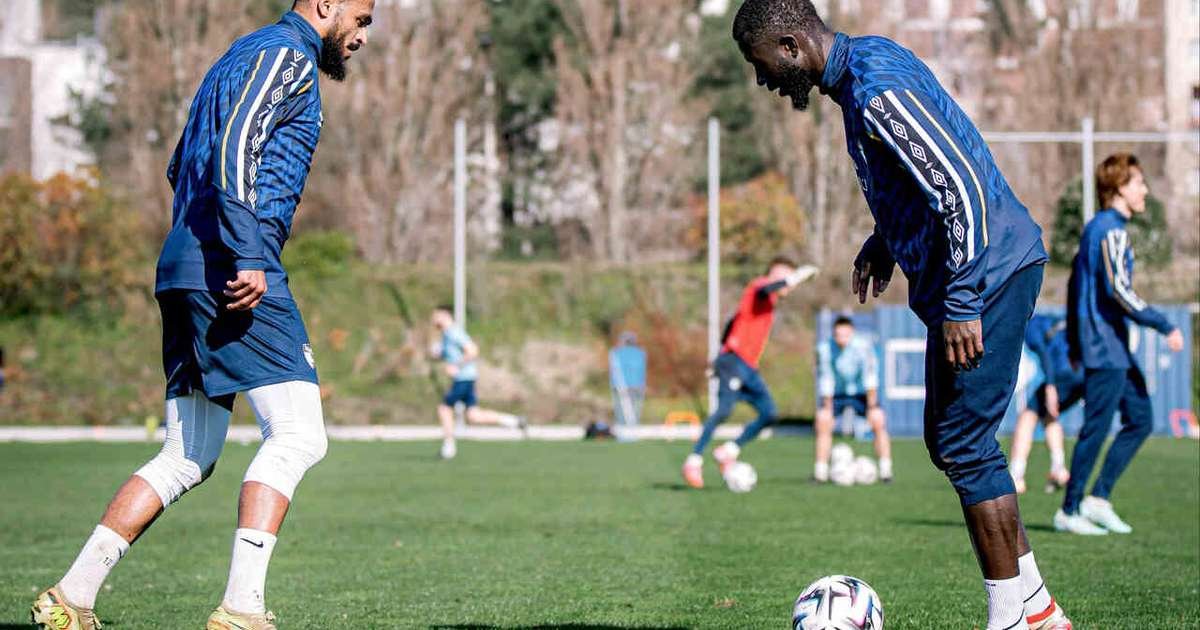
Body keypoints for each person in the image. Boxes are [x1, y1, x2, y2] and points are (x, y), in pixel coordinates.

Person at [30, 2, 376, 629]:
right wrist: (246, 251)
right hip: (232, 267)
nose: (362, 35)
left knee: (188, 453)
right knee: (298, 435)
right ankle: (242, 610)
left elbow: (180, 163)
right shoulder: (287, 54)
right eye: (362, 18)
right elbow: (237, 146)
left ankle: (70, 598)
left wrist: (199, 251)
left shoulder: (237, 55)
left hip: (187, 264)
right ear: (327, 4)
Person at [732, 2, 1071, 628]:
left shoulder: (874, 90)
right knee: (950, 442)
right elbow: (917, 175)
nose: (763, 81)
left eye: (761, 65)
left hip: (988, 273)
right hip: (980, 270)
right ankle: (1038, 609)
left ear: (790, 45)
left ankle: (1011, 616)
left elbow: (961, 186)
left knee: (966, 445)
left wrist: (963, 297)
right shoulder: (864, 67)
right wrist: (885, 239)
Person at [1055, 153, 1186, 536]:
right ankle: (1069, 509)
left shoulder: (1101, 228)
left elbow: (1076, 286)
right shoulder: (1109, 229)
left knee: (1141, 419)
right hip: (1104, 345)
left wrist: (1075, 342)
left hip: (1109, 344)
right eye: (1138, 183)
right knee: (1096, 428)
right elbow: (1119, 291)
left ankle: (1097, 499)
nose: (1144, 190)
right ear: (1119, 188)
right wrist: (1164, 324)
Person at [682, 257, 816, 489]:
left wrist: (717, 357)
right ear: (774, 273)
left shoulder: (767, 302)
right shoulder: (759, 286)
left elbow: (732, 323)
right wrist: (795, 277)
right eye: (785, 275)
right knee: (724, 410)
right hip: (734, 361)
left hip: (748, 367)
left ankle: (728, 450)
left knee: (769, 413)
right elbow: (766, 289)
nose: (789, 284)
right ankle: (693, 461)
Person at [430, 306, 525, 460]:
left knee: (444, 409)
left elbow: (473, 350)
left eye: (436, 315)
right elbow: (452, 354)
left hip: (463, 378)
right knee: (474, 416)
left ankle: (449, 447)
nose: (433, 319)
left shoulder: (454, 332)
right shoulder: (446, 334)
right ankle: (514, 421)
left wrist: (456, 366)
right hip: (465, 378)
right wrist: (439, 354)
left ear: (445, 315)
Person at [814, 316, 892, 483]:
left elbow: (870, 376)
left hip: (860, 393)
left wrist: (872, 406)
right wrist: (827, 408)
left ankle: (886, 471)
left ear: (852, 333)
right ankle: (820, 472)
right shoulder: (824, 349)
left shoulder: (863, 347)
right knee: (823, 419)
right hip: (837, 393)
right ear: (833, 334)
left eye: (845, 335)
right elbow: (826, 378)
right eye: (838, 335)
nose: (841, 339)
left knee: (878, 418)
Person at [1009, 314, 1079, 495]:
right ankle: (1058, 468)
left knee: (1028, 416)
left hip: (1064, 373)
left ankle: (1016, 476)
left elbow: (1044, 354)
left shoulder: (1029, 326)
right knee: (1050, 415)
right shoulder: (1053, 318)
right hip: (1084, 371)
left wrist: (1050, 385)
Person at [609, 331, 647, 434]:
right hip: (635, 386)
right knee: (634, 411)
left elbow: (614, 369)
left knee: (621, 412)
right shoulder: (641, 353)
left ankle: (625, 432)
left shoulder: (615, 352)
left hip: (620, 386)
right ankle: (633, 430)